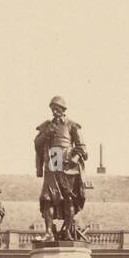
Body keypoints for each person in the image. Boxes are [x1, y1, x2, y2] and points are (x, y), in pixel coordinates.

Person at [34, 96, 88, 241]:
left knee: (69, 199)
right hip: (53, 160)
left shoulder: (72, 125)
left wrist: (74, 159)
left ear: (63, 110)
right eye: (53, 109)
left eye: (57, 109)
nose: (55, 111)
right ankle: (49, 232)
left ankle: (67, 232)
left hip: (68, 163)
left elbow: (82, 147)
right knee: (48, 198)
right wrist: (46, 135)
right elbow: (36, 144)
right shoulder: (46, 126)